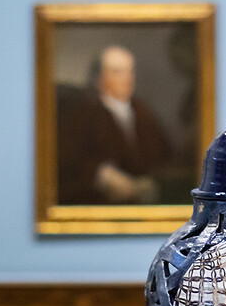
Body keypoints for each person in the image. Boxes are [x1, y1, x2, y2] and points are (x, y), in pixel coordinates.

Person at [57, 44, 173, 205]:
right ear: (98, 78)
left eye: (130, 71)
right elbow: (70, 162)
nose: (127, 78)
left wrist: (152, 182)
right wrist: (100, 174)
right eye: (117, 72)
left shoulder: (142, 111)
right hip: (102, 203)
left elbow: (166, 156)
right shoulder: (84, 114)